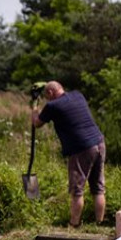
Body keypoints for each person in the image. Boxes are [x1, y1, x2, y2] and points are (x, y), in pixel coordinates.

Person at [31, 81, 106, 227]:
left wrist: (34, 104)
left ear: (51, 93)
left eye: (47, 96)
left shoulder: (52, 106)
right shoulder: (78, 95)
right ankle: (99, 223)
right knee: (98, 188)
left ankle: (74, 225)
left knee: (77, 190)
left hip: (81, 148)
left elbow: (36, 123)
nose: (47, 99)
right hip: (99, 142)